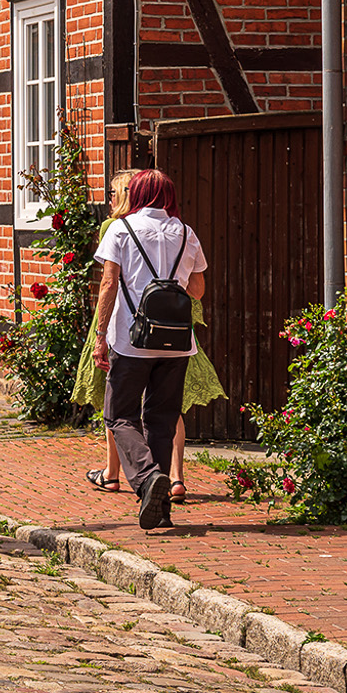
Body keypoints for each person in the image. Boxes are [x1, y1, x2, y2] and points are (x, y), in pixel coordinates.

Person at [77, 171, 224, 502]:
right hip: (176, 343)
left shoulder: (121, 229)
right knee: (162, 419)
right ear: (170, 196)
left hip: (131, 340)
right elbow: (198, 290)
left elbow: (108, 283)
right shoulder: (186, 233)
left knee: (118, 415)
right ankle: (157, 503)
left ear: (138, 194)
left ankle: (148, 477)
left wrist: (101, 336)